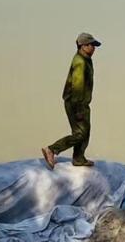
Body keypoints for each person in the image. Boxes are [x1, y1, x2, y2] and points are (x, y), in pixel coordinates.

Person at [42, 32, 100, 169]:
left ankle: (79, 158)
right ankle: (52, 149)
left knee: (85, 132)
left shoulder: (85, 59)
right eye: (92, 45)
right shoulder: (80, 62)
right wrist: (79, 107)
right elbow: (78, 85)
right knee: (80, 133)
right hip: (76, 102)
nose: (94, 48)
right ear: (83, 46)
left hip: (82, 102)